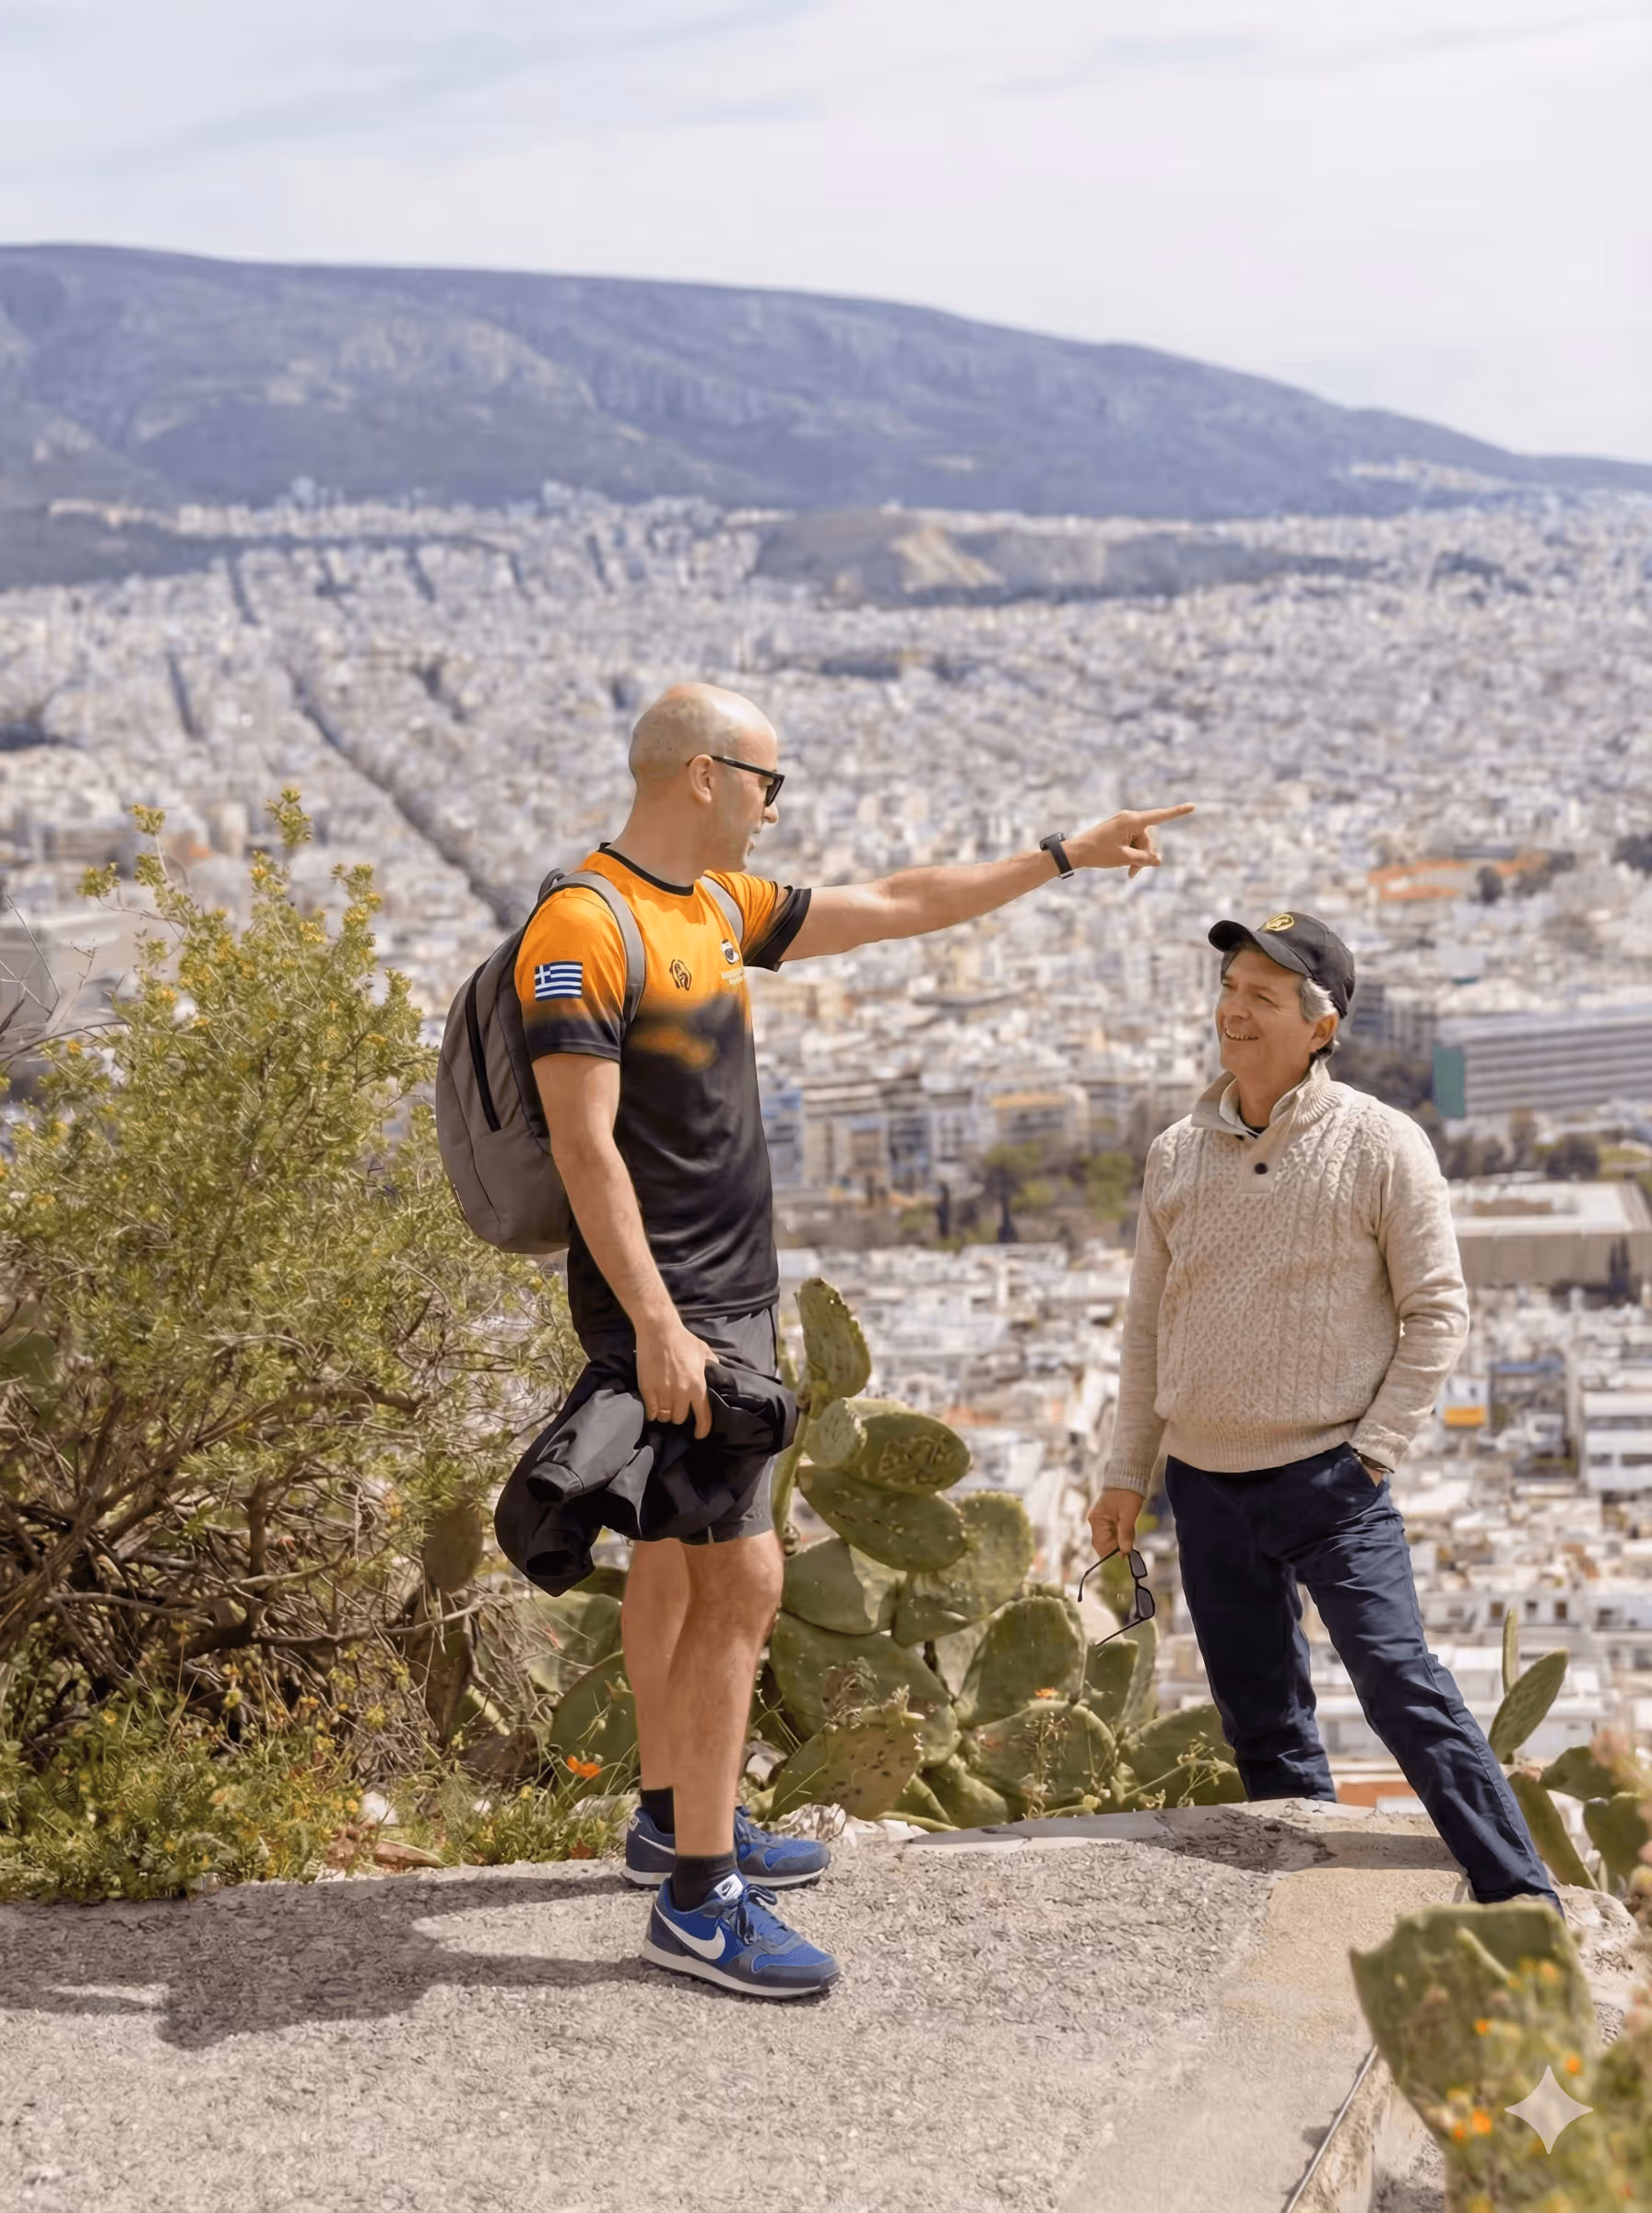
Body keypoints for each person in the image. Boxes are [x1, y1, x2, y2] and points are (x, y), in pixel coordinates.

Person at [518, 680, 1194, 1997]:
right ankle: (700, 1906)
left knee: (671, 1564)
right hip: (681, 1313)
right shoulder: (583, 927)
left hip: (725, 1298)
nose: (778, 808)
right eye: (770, 782)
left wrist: (1059, 855)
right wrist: (661, 1327)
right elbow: (582, 1144)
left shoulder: (709, 905)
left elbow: (899, 903)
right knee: (747, 1582)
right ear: (704, 775)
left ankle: (671, 1824)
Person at [1088, 911, 1559, 1909]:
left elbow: (1439, 1313)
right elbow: (1145, 1332)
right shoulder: (1176, 1152)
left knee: (1403, 1686)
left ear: (1320, 1025)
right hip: (1204, 1487)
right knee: (1258, 1718)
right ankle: (1306, 1905)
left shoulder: (1383, 1145)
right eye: (1229, 991)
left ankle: (1519, 1897)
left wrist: (1373, 1456)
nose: (1234, 1013)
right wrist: (1127, 1475)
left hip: (1329, 1479)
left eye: (1262, 997)